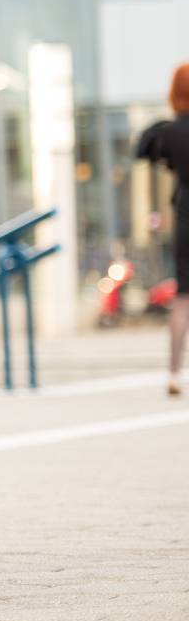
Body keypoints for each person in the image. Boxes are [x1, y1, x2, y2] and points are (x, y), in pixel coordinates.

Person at [135, 63, 189, 396]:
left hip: (186, 213)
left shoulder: (169, 132)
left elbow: (149, 152)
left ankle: (173, 373)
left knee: (183, 298)